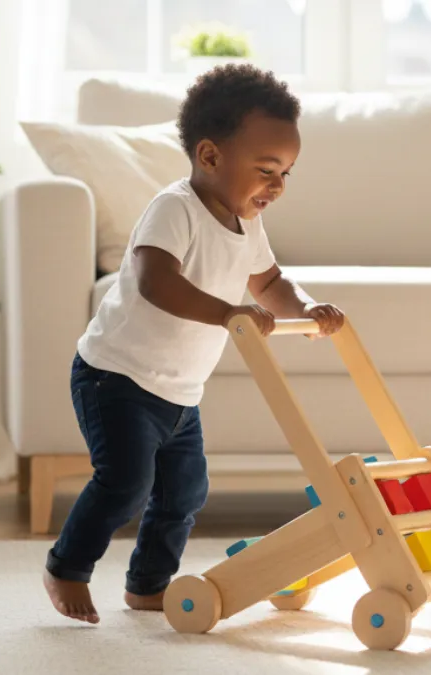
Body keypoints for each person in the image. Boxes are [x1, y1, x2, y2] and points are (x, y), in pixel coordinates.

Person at [43, 64, 346, 623]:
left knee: (184, 492)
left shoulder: (246, 222)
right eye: (265, 170)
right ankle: (67, 567)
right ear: (209, 157)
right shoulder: (174, 209)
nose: (277, 187)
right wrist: (229, 312)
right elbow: (156, 282)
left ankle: (147, 584)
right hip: (117, 377)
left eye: (286, 173)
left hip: (180, 391)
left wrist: (303, 308)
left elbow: (270, 282)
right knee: (126, 484)